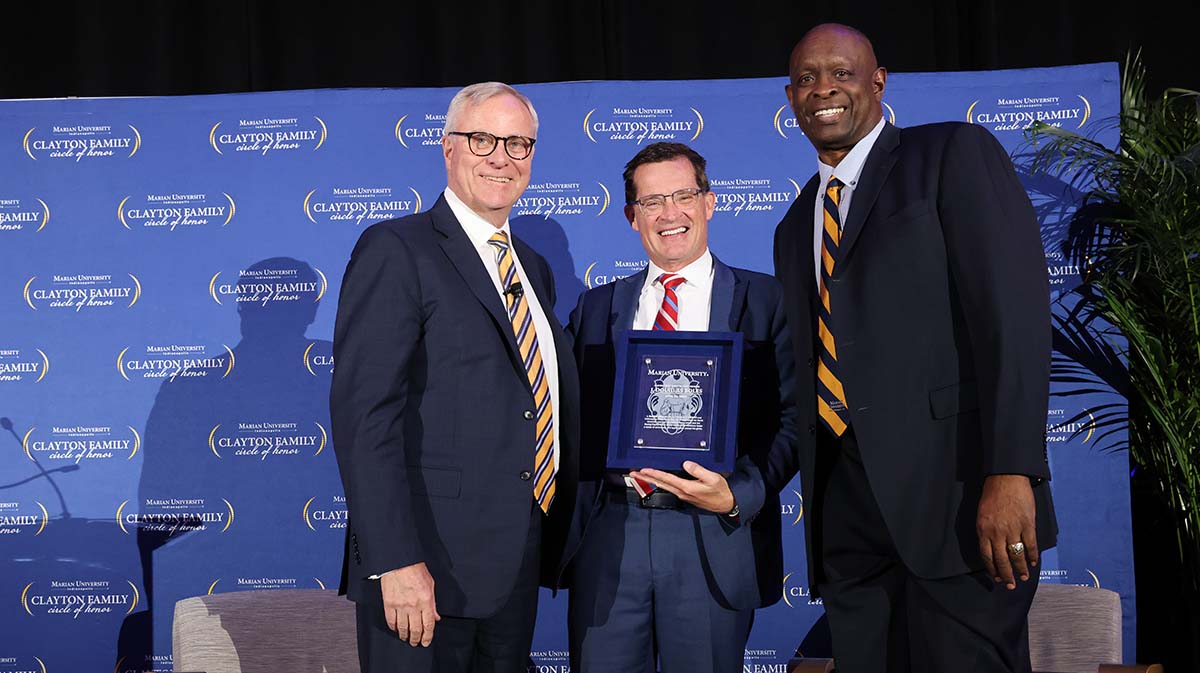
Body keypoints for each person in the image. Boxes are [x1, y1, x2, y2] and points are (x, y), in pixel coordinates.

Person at [772, 23, 1058, 673]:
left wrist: (1012, 469)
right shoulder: (795, 225)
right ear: (790, 97)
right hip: (847, 521)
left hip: (959, 505)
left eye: (842, 74)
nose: (825, 89)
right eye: (808, 78)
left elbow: (1012, 315)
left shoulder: (951, 154)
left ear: (878, 83)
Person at [330, 81, 580, 673]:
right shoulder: (397, 248)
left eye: (519, 144)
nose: (502, 156)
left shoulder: (533, 268)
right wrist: (394, 561)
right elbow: (366, 416)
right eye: (483, 139)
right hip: (424, 575)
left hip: (514, 562)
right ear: (449, 149)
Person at [565, 142, 798, 673]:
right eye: (651, 202)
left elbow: (795, 421)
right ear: (631, 217)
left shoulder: (766, 301)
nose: (670, 214)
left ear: (709, 203)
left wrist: (737, 494)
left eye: (683, 195)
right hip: (611, 539)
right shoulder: (596, 307)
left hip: (713, 537)